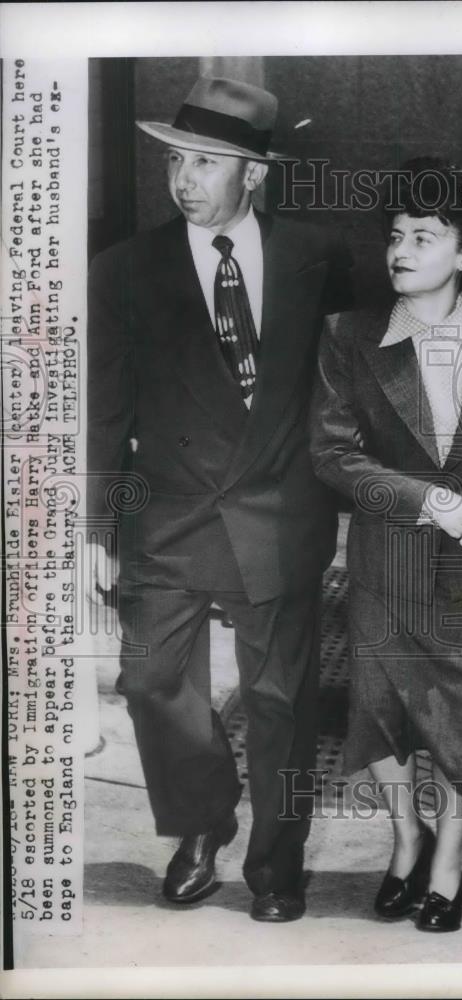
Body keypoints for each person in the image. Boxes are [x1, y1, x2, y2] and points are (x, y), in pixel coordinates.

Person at [86, 77, 351, 923]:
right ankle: (200, 823)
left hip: (279, 514)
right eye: (176, 159)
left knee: (280, 703)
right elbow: (106, 406)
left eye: (206, 161)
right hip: (166, 516)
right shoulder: (126, 269)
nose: (184, 178)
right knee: (150, 679)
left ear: (255, 174)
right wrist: (98, 524)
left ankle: (277, 862)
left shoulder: (315, 257)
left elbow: (349, 389)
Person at [310, 158, 462, 932]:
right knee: (375, 715)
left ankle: (446, 862)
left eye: (424, 235)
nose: (401, 250)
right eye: (394, 235)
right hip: (390, 558)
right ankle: (403, 836)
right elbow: (333, 453)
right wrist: (427, 500)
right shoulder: (348, 336)